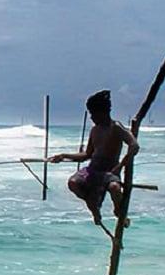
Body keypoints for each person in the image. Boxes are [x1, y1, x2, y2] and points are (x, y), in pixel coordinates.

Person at [49, 89, 139, 229]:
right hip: (92, 169)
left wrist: (121, 165)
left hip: (109, 171)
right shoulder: (95, 130)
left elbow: (134, 146)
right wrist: (64, 156)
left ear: (103, 112)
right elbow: (86, 155)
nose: (91, 117)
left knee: (115, 188)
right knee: (73, 183)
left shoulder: (116, 127)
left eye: (93, 114)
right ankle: (93, 206)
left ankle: (119, 212)